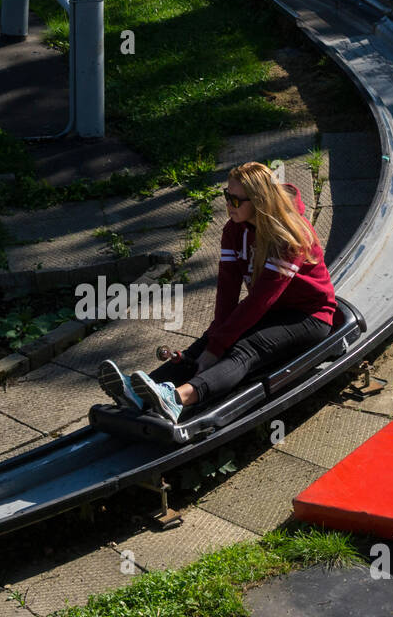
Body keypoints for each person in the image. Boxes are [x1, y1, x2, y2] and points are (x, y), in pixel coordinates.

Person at [99, 162, 337, 423]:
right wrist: (214, 338)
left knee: (245, 347)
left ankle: (177, 399)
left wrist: (219, 346)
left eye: (235, 200)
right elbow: (227, 289)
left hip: (308, 316)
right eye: (227, 196)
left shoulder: (289, 237)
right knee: (208, 341)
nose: (229, 206)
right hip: (272, 309)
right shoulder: (234, 230)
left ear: (258, 201)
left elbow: (259, 300)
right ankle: (141, 391)